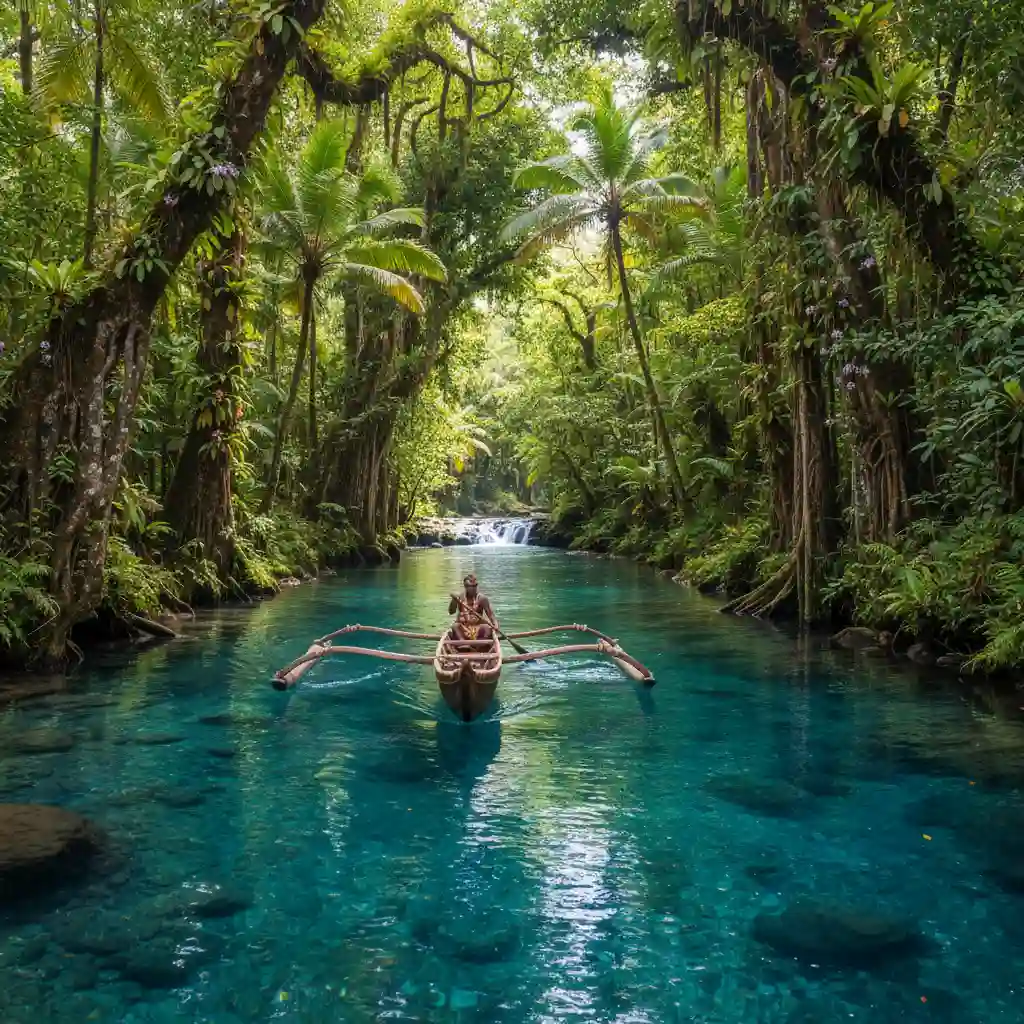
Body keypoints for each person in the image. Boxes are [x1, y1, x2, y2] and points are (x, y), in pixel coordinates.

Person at [448, 574, 497, 642]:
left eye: (475, 585)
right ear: (466, 586)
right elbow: (451, 612)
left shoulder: (482, 598)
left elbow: (490, 615)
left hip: (478, 627)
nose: (474, 588)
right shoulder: (459, 597)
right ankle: (462, 643)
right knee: (455, 626)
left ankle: (481, 645)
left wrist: (496, 626)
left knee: (486, 627)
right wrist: (454, 601)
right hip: (463, 628)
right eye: (471, 586)